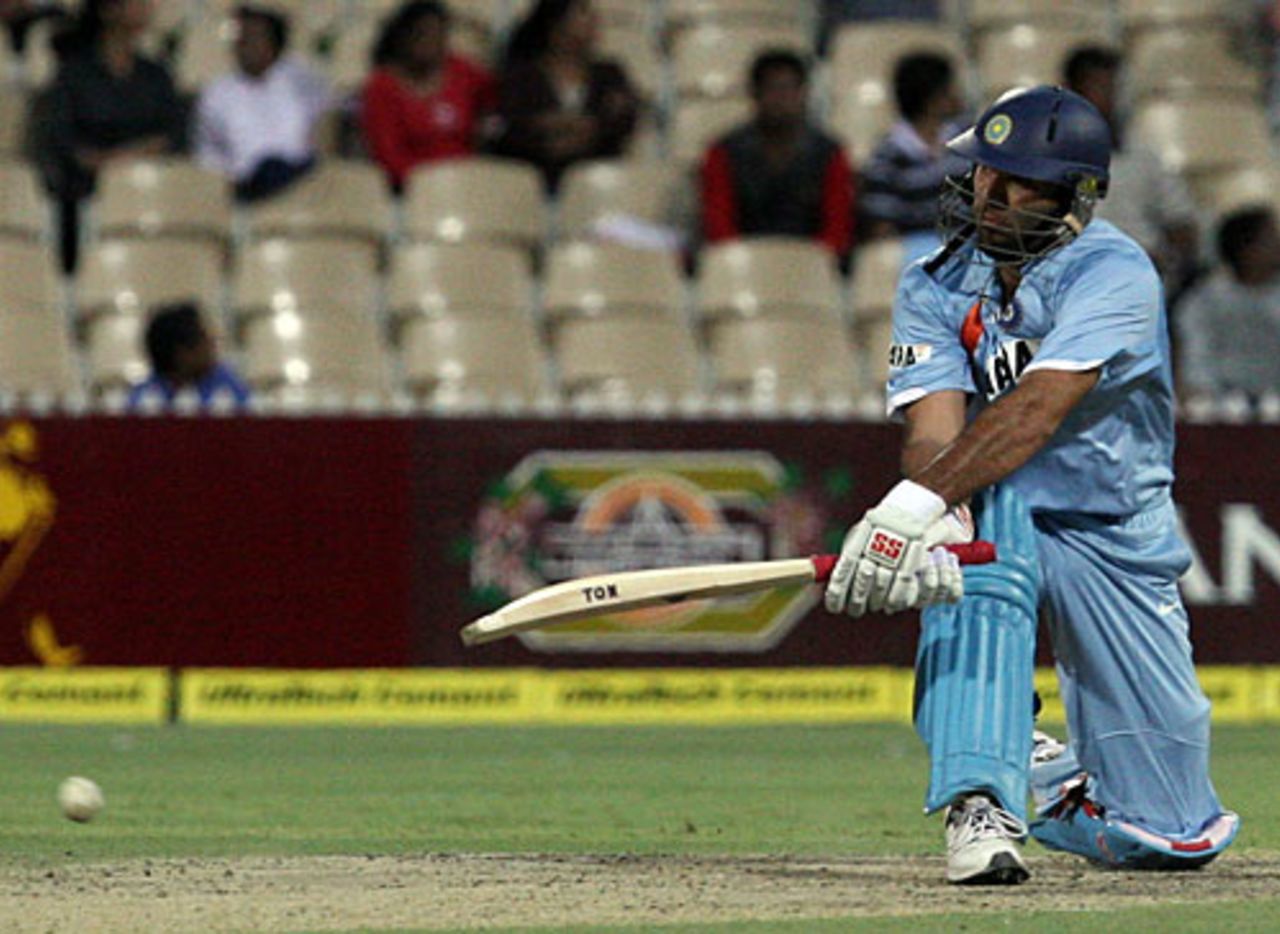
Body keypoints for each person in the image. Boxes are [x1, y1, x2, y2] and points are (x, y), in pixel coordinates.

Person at [822, 85, 1238, 884]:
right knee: (975, 564)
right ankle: (978, 798)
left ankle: (1048, 775)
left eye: (1018, 183)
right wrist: (929, 510)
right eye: (984, 174)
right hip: (994, 502)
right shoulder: (936, 281)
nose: (989, 196)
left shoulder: (1115, 273)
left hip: (1111, 525)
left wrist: (911, 507)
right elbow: (935, 430)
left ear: (1074, 196)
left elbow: (1039, 407)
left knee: (1170, 837)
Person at [38, 0, 184, 271]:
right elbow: (62, 140)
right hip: (88, 193)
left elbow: (173, 136)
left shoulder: (156, 75)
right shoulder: (73, 75)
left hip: (149, 190)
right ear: (109, 9)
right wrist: (101, 163)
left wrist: (124, 159)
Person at [1063, 46, 1200, 298]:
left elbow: (1181, 223)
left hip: (1145, 280)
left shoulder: (1144, 157)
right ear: (1073, 93)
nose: (1113, 98)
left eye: (1116, 88)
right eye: (1102, 87)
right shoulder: (1046, 161)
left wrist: (1168, 260)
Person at [700, 49, 854, 259]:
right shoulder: (724, 152)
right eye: (772, 89)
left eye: (788, 89)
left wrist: (814, 263)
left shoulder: (829, 153)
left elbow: (837, 228)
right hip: (743, 264)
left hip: (811, 268)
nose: (781, 99)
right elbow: (719, 227)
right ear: (755, 94)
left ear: (804, 93)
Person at [488, 0, 638, 192]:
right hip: (533, 182)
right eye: (583, 14)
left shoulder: (609, 74)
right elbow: (508, 126)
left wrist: (590, 130)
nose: (594, 20)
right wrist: (546, 130)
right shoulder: (522, 77)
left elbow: (623, 120)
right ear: (556, 25)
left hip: (596, 183)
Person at [193, 4, 331, 203]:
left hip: (299, 182)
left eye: (255, 37)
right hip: (243, 188)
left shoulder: (299, 82)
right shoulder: (217, 93)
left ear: (274, 45)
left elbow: (323, 129)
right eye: (242, 38)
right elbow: (209, 157)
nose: (246, 45)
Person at [360, 0, 498, 193]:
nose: (429, 42)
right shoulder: (381, 88)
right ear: (402, 37)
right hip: (410, 193)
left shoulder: (465, 73)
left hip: (468, 183)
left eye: (438, 35)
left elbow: (497, 103)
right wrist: (435, 183)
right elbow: (389, 158)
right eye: (421, 34)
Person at [1176, 205, 1280, 407]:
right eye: (1271, 240)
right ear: (1247, 250)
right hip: (1222, 404)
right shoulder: (1205, 301)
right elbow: (1196, 355)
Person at [859, 52, 969, 243]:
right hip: (916, 254)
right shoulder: (887, 156)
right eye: (951, 88)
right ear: (933, 100)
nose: (958, 94)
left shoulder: (970, 142)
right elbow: (882, 225)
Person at [126, 302, 251, 413]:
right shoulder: (140, 403)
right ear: (182, 354)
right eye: (206, 338)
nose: (214, 343)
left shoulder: (229, 388)